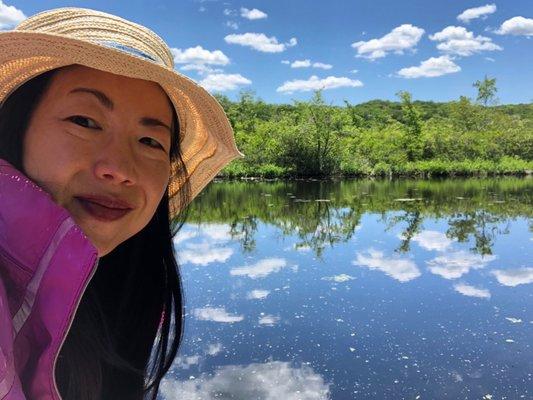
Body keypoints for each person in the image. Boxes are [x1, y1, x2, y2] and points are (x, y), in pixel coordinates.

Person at [0, 7, 244, 400]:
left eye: (150, 142)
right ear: (13, 129)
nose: (120, 169)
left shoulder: (118, 290)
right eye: (84, 121)